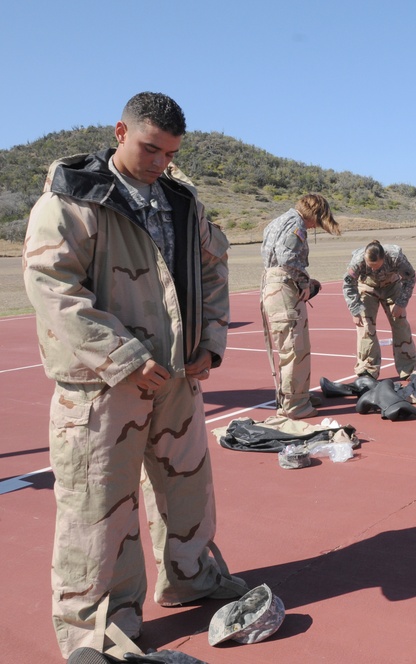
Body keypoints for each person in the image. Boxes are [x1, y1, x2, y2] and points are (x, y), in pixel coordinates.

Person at [22, 92, 247, 659]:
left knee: (188, 487)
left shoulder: (181, 201)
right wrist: (121, 358)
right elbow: (53, 287)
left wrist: (209, 344)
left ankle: (190, 577)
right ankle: (96, 629)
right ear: (120, 130)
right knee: (99, 507)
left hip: (175, 380)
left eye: (170, 153)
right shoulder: (73, 200)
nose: (159, 162)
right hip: (104, 387)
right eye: (150, 148)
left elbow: (212, 271)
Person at [261, 194, 340, 418]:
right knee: (294, 349)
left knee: (293, 347)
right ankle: (295, 405)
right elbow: (287, 259)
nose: (317, 225)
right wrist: (304, 282)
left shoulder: (278, 221)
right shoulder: (296, 224)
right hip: (283, 289)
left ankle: (297, 395)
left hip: (276, 285)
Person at [342, 240, 416, 380]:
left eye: (377, 266)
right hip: (367, 288)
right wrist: (355, 310)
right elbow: (348, 285)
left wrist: (401, 303)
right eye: (370, 266)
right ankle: (367, 370)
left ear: (384, 259)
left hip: (392, 286)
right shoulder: (358, 261)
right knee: (365, 326)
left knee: (400, 323)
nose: (374, 269)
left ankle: (408, 369)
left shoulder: (395, 257)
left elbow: (410, 278)